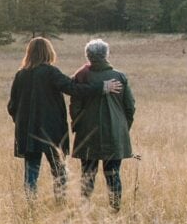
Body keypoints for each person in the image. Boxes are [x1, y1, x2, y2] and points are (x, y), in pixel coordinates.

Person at [7, 37, 122, 198]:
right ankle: (60, 202)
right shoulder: (51, 72)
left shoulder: (21, 75)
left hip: (27, 132)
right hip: (51, 131)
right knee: (58, 170)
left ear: (30, 53)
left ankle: (30, 205)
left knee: (31, 171)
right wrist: (101, 87)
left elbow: (12, 106)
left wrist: (21, 121)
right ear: (48, 52)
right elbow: (73, 89)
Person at [70, 39, 135, 211]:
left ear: (88, 56)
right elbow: (130, 107)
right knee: (113, 173)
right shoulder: (119, 77)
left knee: (87, 174)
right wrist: (123, 128)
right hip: (115, 132)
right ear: (106, 55)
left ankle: (84, 208)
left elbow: (74, 106)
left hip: (87, 133)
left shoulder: (81, 76)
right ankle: (115, 209)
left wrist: (77, 125)